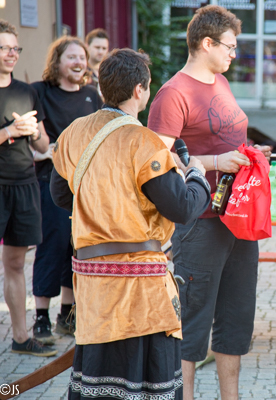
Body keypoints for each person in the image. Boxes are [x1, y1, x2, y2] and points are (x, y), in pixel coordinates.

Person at [50, 47, 211, 399]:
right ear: (141, 89)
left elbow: (62, 196)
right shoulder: (145, 142)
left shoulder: (74, 133)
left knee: (98, 383)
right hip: (141, 294)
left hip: (92, 287)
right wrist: (197, 174)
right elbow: (183, 208)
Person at [147, 6, 271, 400]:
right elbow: (156, 164)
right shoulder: (173, 94)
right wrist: (215, 163)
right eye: (231, 46)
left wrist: (250, 154)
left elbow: (224, 135)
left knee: (236, 320)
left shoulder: (220, 82)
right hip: (200, 219)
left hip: (238, 217)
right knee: (191, 322)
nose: (235, 53)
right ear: (207, 43)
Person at [30, 36, 102, 345]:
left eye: (82, 57)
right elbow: (42, 142)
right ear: (57, 61)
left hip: (85, 185)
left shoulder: (92, 96)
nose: (78, 62)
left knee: (78, 247)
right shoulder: (40, 92)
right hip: (50, 182)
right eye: (71, 57)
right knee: (52, 246)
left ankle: (68, 315)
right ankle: (42, 317)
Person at [0, 19, 54, 357]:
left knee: (17, 264)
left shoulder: (26, 90)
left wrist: (33, 132)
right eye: (5, 47)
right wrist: (8, 131)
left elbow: (43, 144)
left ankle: (21, 338)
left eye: (14, 48)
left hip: (24, 183)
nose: (11, 54)